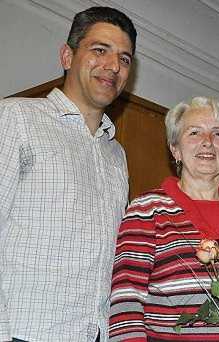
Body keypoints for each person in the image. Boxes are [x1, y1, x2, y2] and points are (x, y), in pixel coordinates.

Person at [0, 6, 136, 341]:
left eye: (124, 58)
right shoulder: (15, 118)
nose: (113, 66)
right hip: (25, 330)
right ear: (67, 55)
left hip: (94, 332)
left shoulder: (116, 154)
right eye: (99, 50)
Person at [108, 97, 219, 341]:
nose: (208, 142)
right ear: (175, 149)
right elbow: (126, 300)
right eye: (194, 132)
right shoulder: (147, 209)